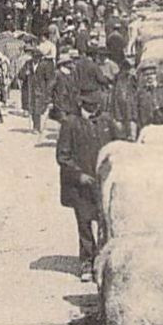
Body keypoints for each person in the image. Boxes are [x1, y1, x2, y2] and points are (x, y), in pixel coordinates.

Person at [57, 95, 116, 282]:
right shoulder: (71, 123)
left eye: (97, 103)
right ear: (82, 103)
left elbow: (117, 146)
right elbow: (63, 156)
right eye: (90, 104)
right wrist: (79, 175)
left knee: (105, 222)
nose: (95, 107)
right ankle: (87, 262)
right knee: (84, 223)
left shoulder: (106, 121)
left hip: (103, 181)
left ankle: (103, 261)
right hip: (81, 184)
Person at [20, 47, 56, 135]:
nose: (36, 58)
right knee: (32, 107)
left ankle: (37, 126)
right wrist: (25, 73)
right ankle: (35, 126)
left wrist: (49, 90)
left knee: (38, 108)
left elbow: (48, 78)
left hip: (40, 89)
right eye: (34, 56)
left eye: (38, 57)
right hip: (30, 88)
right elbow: (20, 75)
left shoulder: (44, 65)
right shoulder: (28, 64)